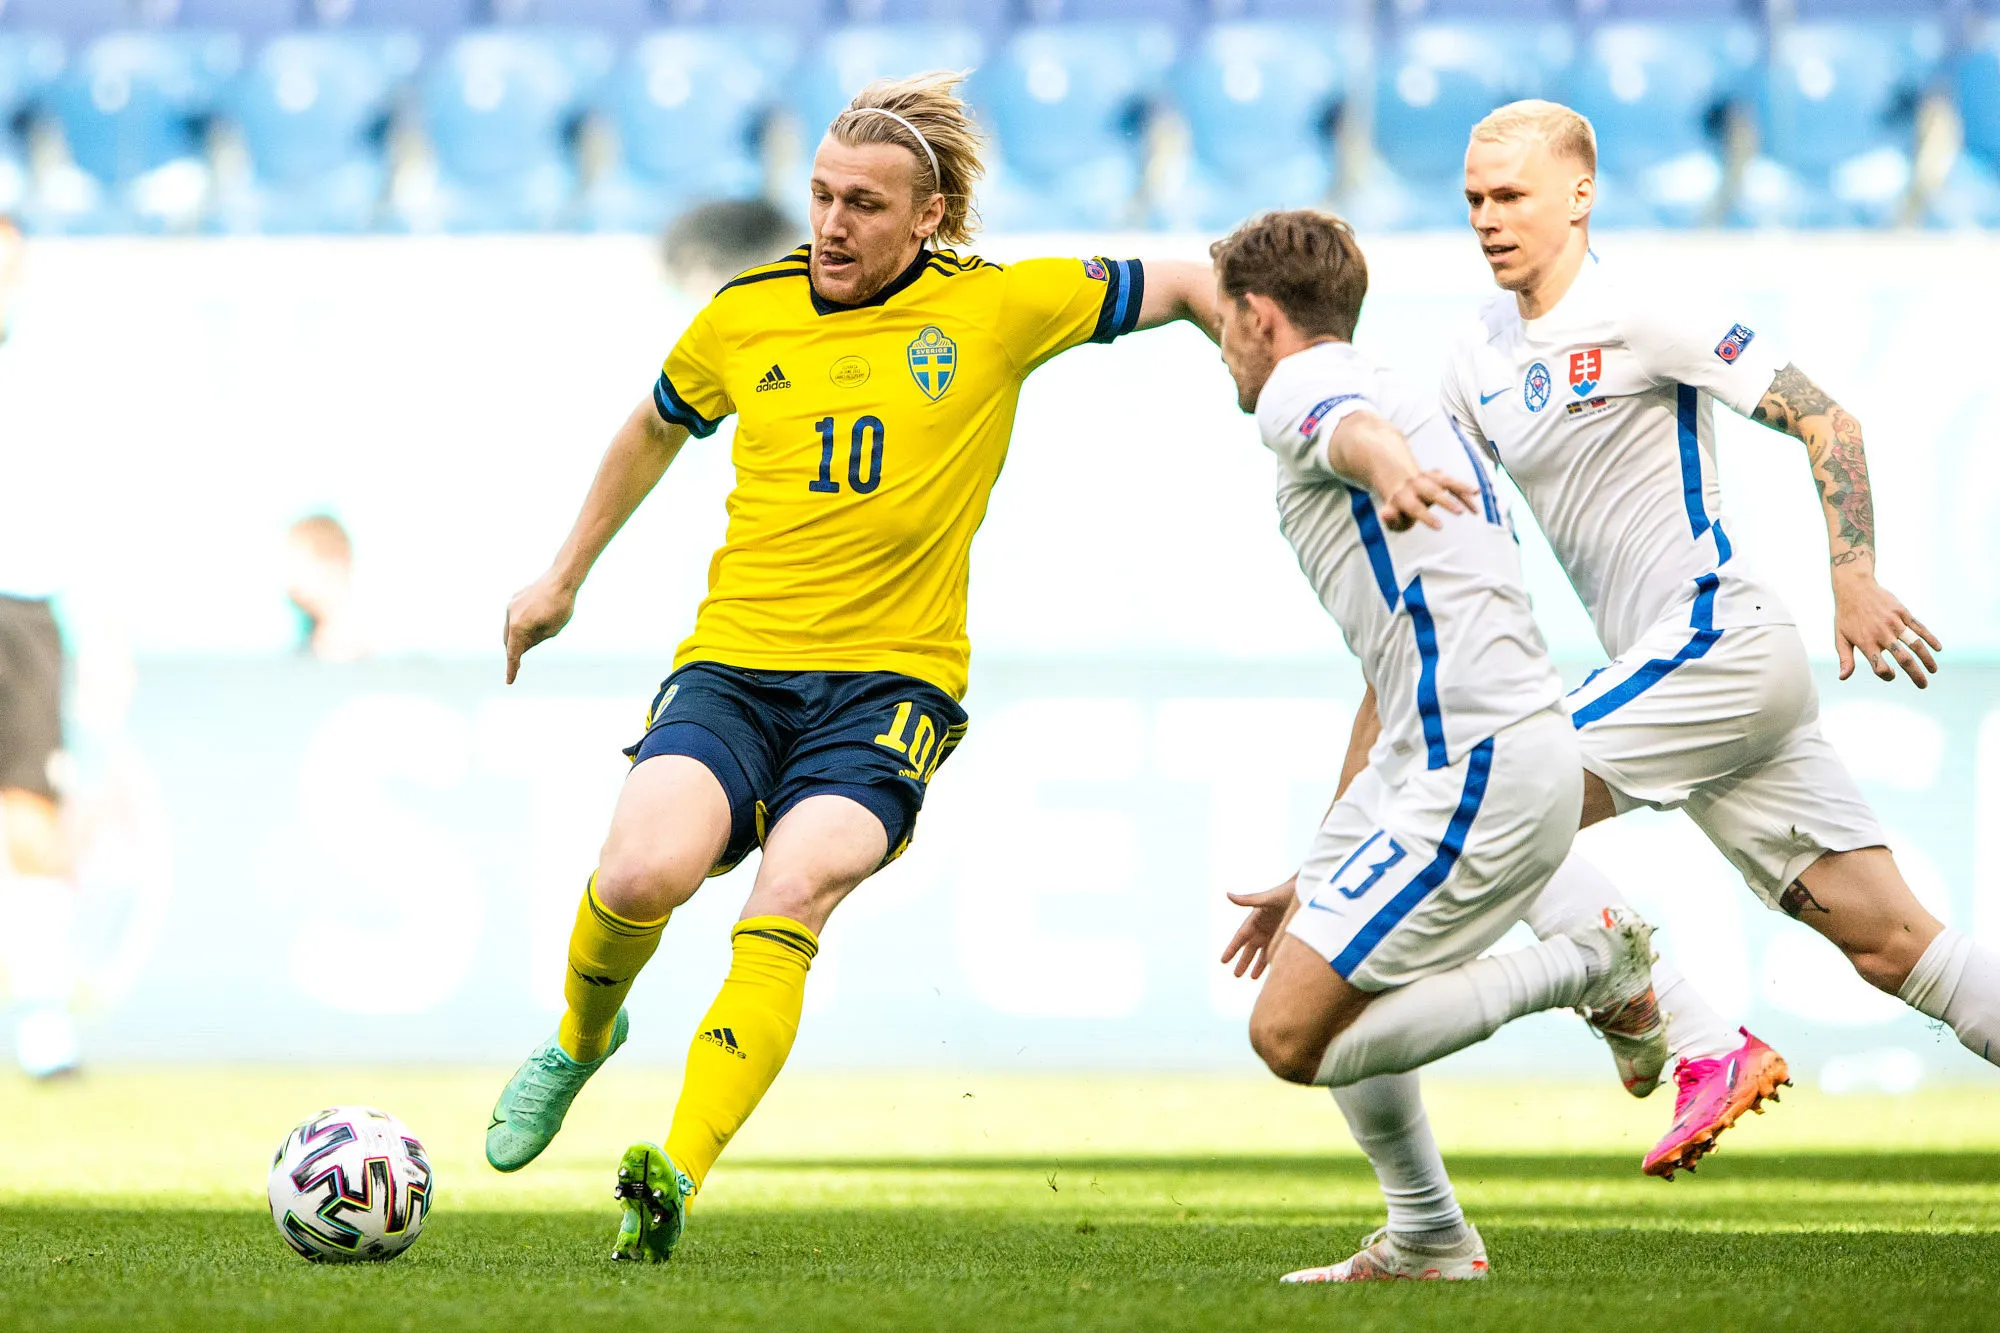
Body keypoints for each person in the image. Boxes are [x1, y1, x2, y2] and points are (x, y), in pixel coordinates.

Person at [482, 72, 1231, 1263]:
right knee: (637, 874)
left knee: (793, 890)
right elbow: (654, 423)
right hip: (735, 664)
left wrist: (1268, 357)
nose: (831, 224)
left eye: (864, 205)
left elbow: (1190, 279)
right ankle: (580, 1040)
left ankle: (668, 1174)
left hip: (891, 686)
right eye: (821, 196)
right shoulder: (746, 312)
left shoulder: (1000, 307)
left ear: (926, 217)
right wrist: (562, 573)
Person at [1422, 99, 2000, 1177]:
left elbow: (1826, 418)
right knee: (1893, 948)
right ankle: (1683, 1029)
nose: (1487, 220)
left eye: (1509, 196)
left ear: (1579, 195)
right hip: (1677, 683)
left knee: (1495, 798)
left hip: (1718, 640)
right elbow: (1467, 541)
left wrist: (1853, 576)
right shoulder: (1472, 357)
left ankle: (1690, 1035)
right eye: (1471, 200)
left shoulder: (1641, 309)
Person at [1209, 209, 1665, 1283]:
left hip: (1479, 765)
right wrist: (1320, 866)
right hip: (1468, 752)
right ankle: (1425, 1235)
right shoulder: (1406, 390)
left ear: (1259, 318)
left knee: (1288, 1036)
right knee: (1328, 968)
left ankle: (1589, 958)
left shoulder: (1304, 388)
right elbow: (1388, 670)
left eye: (1224, 325)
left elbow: (1343, 429)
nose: (1222, 347)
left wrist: (1383, 472)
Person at [0, 212, 80, 1078]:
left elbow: (78, 513)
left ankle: (46, 1028)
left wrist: (101, 633)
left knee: (29, 812)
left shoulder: (43, 376)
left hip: (19, 608)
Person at [283, 514, 367, 663]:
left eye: (300, 564)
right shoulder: (296, 661)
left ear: (336, 561)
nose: (290, 583)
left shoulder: (384, 653)